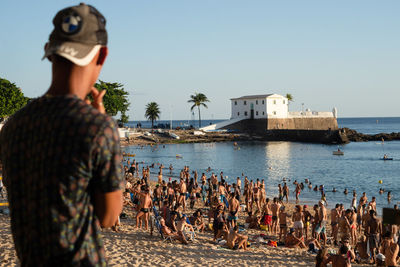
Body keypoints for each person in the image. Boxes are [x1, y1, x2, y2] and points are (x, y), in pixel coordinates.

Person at [0, 4, 123, 265]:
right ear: (102, 55)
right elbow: (110, 216)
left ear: (50, 53)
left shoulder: (13, 126)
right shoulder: (96, 128)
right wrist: (103, 127)